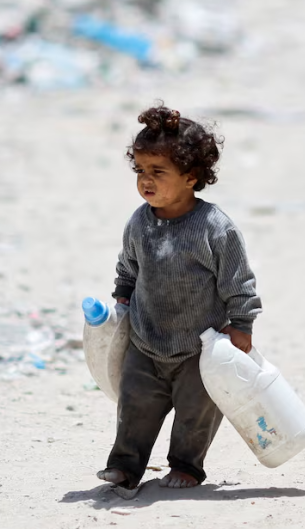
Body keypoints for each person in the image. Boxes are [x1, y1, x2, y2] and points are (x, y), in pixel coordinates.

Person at [96, 104, 262, 494]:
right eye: (140, 171)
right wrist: (122, 298)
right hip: (146, 341)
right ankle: (124, 466)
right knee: (135, 405)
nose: (146, 181)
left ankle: (186, 466)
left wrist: (242, 324)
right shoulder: (140, 221)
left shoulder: (215, 229)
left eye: (158, 172)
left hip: (200, 348)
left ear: (191, 177)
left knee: (195, 413)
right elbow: (128, 267)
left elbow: (238, 281)